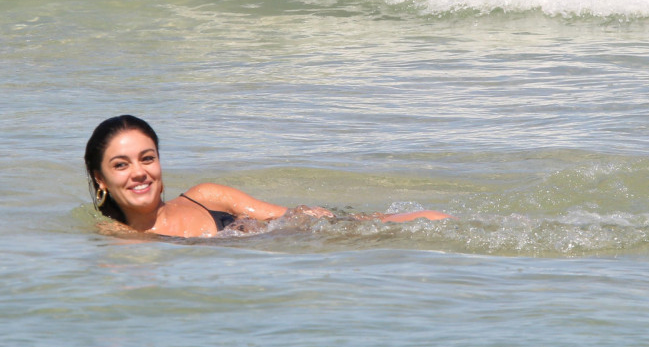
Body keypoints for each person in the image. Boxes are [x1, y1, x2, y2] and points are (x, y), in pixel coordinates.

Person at [84, 115, 449, 237]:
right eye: (121, 164)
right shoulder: (118, 239)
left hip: (311, 242)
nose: (139, 173)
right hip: (285, 277)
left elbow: (287, 216)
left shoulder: (205, 196)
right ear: (100, 179)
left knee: (436, 220)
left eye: (147, 158)